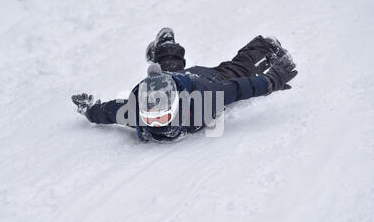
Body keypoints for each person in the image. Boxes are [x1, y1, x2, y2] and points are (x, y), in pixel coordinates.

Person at [72, 28, 298, 142]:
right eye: (151, 118)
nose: (157, 124)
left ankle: (266, 45)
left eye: (162, 117)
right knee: (169, 69)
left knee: (236, 70)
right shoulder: (133, 112)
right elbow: (107, 112)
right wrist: (90, 109)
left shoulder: (203, 100)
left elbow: (239, 88)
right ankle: (165, 46)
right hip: (174, 78)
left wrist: (270, 81)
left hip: (204, 79)